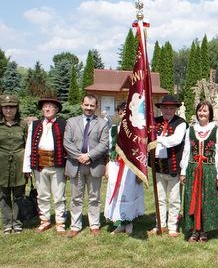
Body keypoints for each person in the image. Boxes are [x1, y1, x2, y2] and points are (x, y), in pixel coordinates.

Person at [63, 94, 109, 238]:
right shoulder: (71, 122)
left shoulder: (102, 123)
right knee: (76, 197)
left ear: (96, 107)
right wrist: (80, 156)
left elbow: (104, 144)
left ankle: (94, 224)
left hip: (94, 164)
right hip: (75, 164)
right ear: (81, 105)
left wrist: (89, 156)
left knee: (94, 197)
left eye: (92, 106)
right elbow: (67, 142)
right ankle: (75, 225)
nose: (89, 108)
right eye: (86, 105)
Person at [180, 101, 218, 243]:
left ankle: (204, 231)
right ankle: (194, 230)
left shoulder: (217, 130)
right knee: (192, 197)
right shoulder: (190, 130)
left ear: (210, 113)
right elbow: (186, 151)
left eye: (205, 111)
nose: (202, 113)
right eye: (200, 110)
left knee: (206, 199)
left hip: (209, 169)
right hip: (193, 169)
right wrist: (183, 171)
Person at [23, 96, 67, 234]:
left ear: (56, 110)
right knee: (42, 195)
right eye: (45, 106)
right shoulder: (35, 125)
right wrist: (27, 167)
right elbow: (29, 146)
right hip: (40, 166)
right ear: (42, 109)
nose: (47, 108)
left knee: (59, 196)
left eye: (51, 106)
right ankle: (45, 220)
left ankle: (60, 221)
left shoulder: (63, 124)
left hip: (58, 165)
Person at [148, 95, 187, 237]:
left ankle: (172, 227)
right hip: (158, 166)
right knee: (160, 198)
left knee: (174, 199)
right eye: (165, 107)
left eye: (171, 108)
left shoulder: (181, 123)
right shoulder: (155, 122)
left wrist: (156, 140)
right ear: (161, 108)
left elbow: (175, 140)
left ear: (176, 109)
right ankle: (160, 225)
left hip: (173, 167)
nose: (168, 110)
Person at [104, 101, 144, 235]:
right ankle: (119, 223)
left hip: (130, 167)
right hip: (116, 165)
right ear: (118, 114)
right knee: (117, 193)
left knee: (129, 192)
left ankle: (129, 222)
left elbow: (141, 152)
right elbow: (110, 150)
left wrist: (140, 172)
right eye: (121, 113)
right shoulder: (113, 130)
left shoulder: (137, 130)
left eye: (126, 113)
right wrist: (108, 167)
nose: (123, 115)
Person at [0, 95, 27, 234]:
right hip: (2, 164)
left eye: (12, 107)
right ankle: (7, 223)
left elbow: (27, 145)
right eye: (5, 107)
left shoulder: (23, 124)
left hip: (19, 164)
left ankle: (17, 222)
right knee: (3, 195)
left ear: (17, 108)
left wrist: (28, 166)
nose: (8, 110)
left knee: (18, 194)